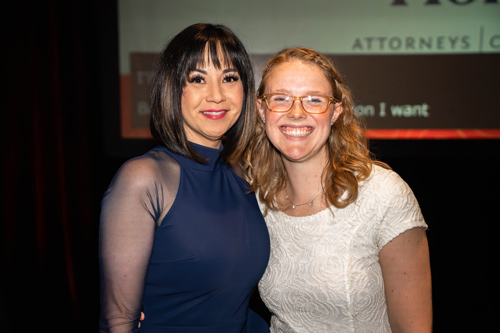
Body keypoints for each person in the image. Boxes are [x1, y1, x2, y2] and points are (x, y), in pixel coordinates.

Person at [243, 47, 432, 332]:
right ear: (261, 109)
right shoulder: (257, 200)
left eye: (314, 100)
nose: (296, 113)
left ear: (335, 112)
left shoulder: (383, 195)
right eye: (280, 99)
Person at [99, 23, 270, 333]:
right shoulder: (143, 179)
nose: (216, 95)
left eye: (229, 78)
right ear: (173, 88)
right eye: (197, 79)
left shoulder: (244, 174)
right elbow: (118, 322)